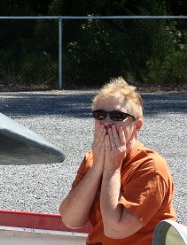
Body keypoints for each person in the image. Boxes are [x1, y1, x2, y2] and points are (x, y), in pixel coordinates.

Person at [59, 77, 176, 244]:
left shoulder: (151, 167)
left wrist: (112, 168)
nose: (106, 122)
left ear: (137, 126)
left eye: (117, 116)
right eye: (100, 115)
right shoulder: (92, 160)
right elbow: (71, 219)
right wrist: (98, 166)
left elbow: (116, 229)